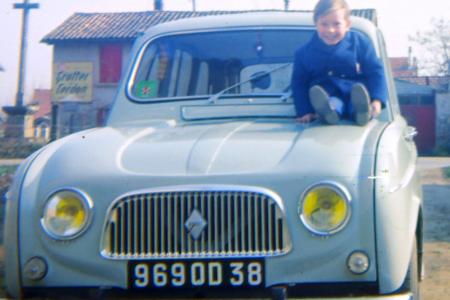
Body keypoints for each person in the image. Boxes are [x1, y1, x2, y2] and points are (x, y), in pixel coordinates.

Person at [291, 0, 388, 126]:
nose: (330, 30)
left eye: (336, 24)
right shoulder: (304, 53)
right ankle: (329, 114)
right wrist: (305, 111)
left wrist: (377, 100)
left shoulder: (360, 44)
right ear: (316, 23)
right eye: (324, 24)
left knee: (357, 103)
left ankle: (362, 113)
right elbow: (299, 84)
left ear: (347, 24)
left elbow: (375, 72)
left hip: (357, 95)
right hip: (327, 97)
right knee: (332, 104)